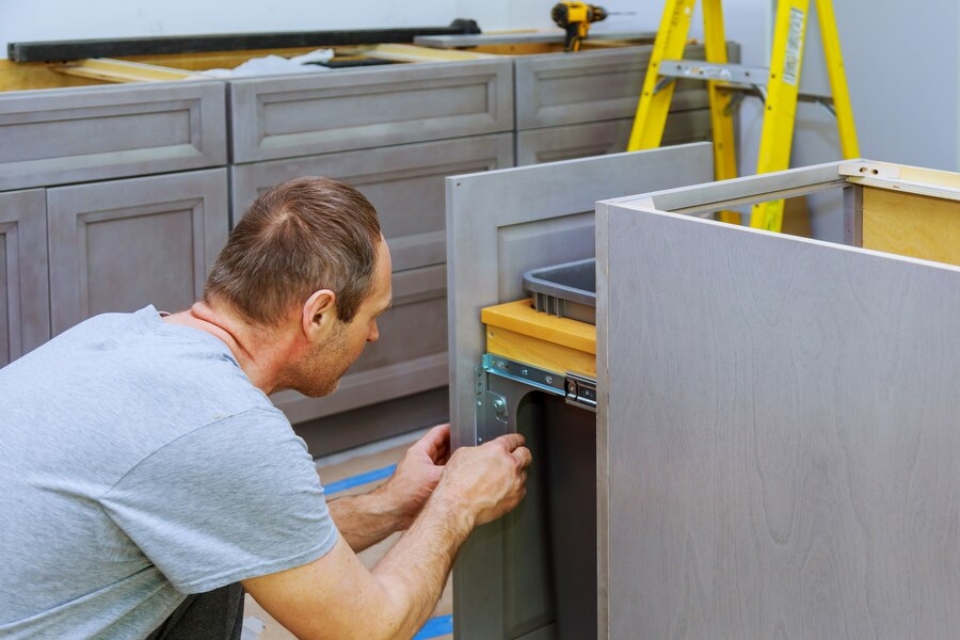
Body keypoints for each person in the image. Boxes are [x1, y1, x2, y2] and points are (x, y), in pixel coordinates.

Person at [0, 176, 531, 639]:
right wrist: (457, 503)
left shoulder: (120, 334)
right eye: (372, 314)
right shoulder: (226, 427)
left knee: (213, 573)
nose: (373, 335)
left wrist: (395, 503)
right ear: (319, 314)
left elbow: (263, 531)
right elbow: (368, 628)